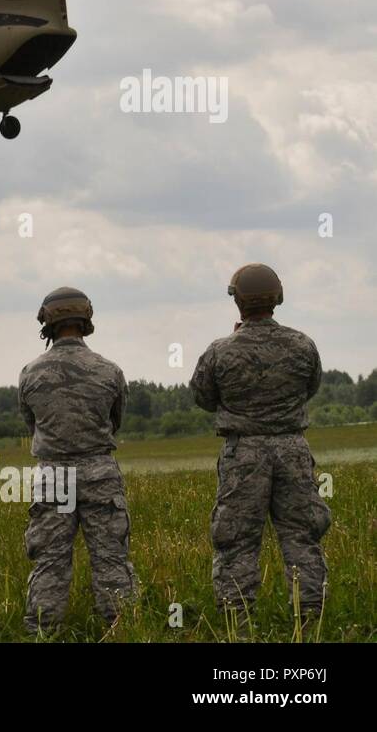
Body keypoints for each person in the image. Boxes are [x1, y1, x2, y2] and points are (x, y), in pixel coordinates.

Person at [190, 263, 329, 627]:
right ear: (277, 297)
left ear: (238, 302)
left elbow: (203, 397)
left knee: (235, 541)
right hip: (293, 450)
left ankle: (238, 624)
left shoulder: (220, 351)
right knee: (302, 537)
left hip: (242, 454)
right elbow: (310, 388)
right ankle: (310, 620)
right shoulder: (302, 344)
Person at [18, 287, 136, 634]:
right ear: (86, 320)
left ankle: (41, 632)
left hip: (52, 475)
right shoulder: (109, 370)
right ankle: (119, 630)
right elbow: (115, 421)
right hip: (99, 471)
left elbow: (31, 423)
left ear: (47, 323)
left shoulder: (30, 373)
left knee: (49, 561)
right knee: (111, 557)